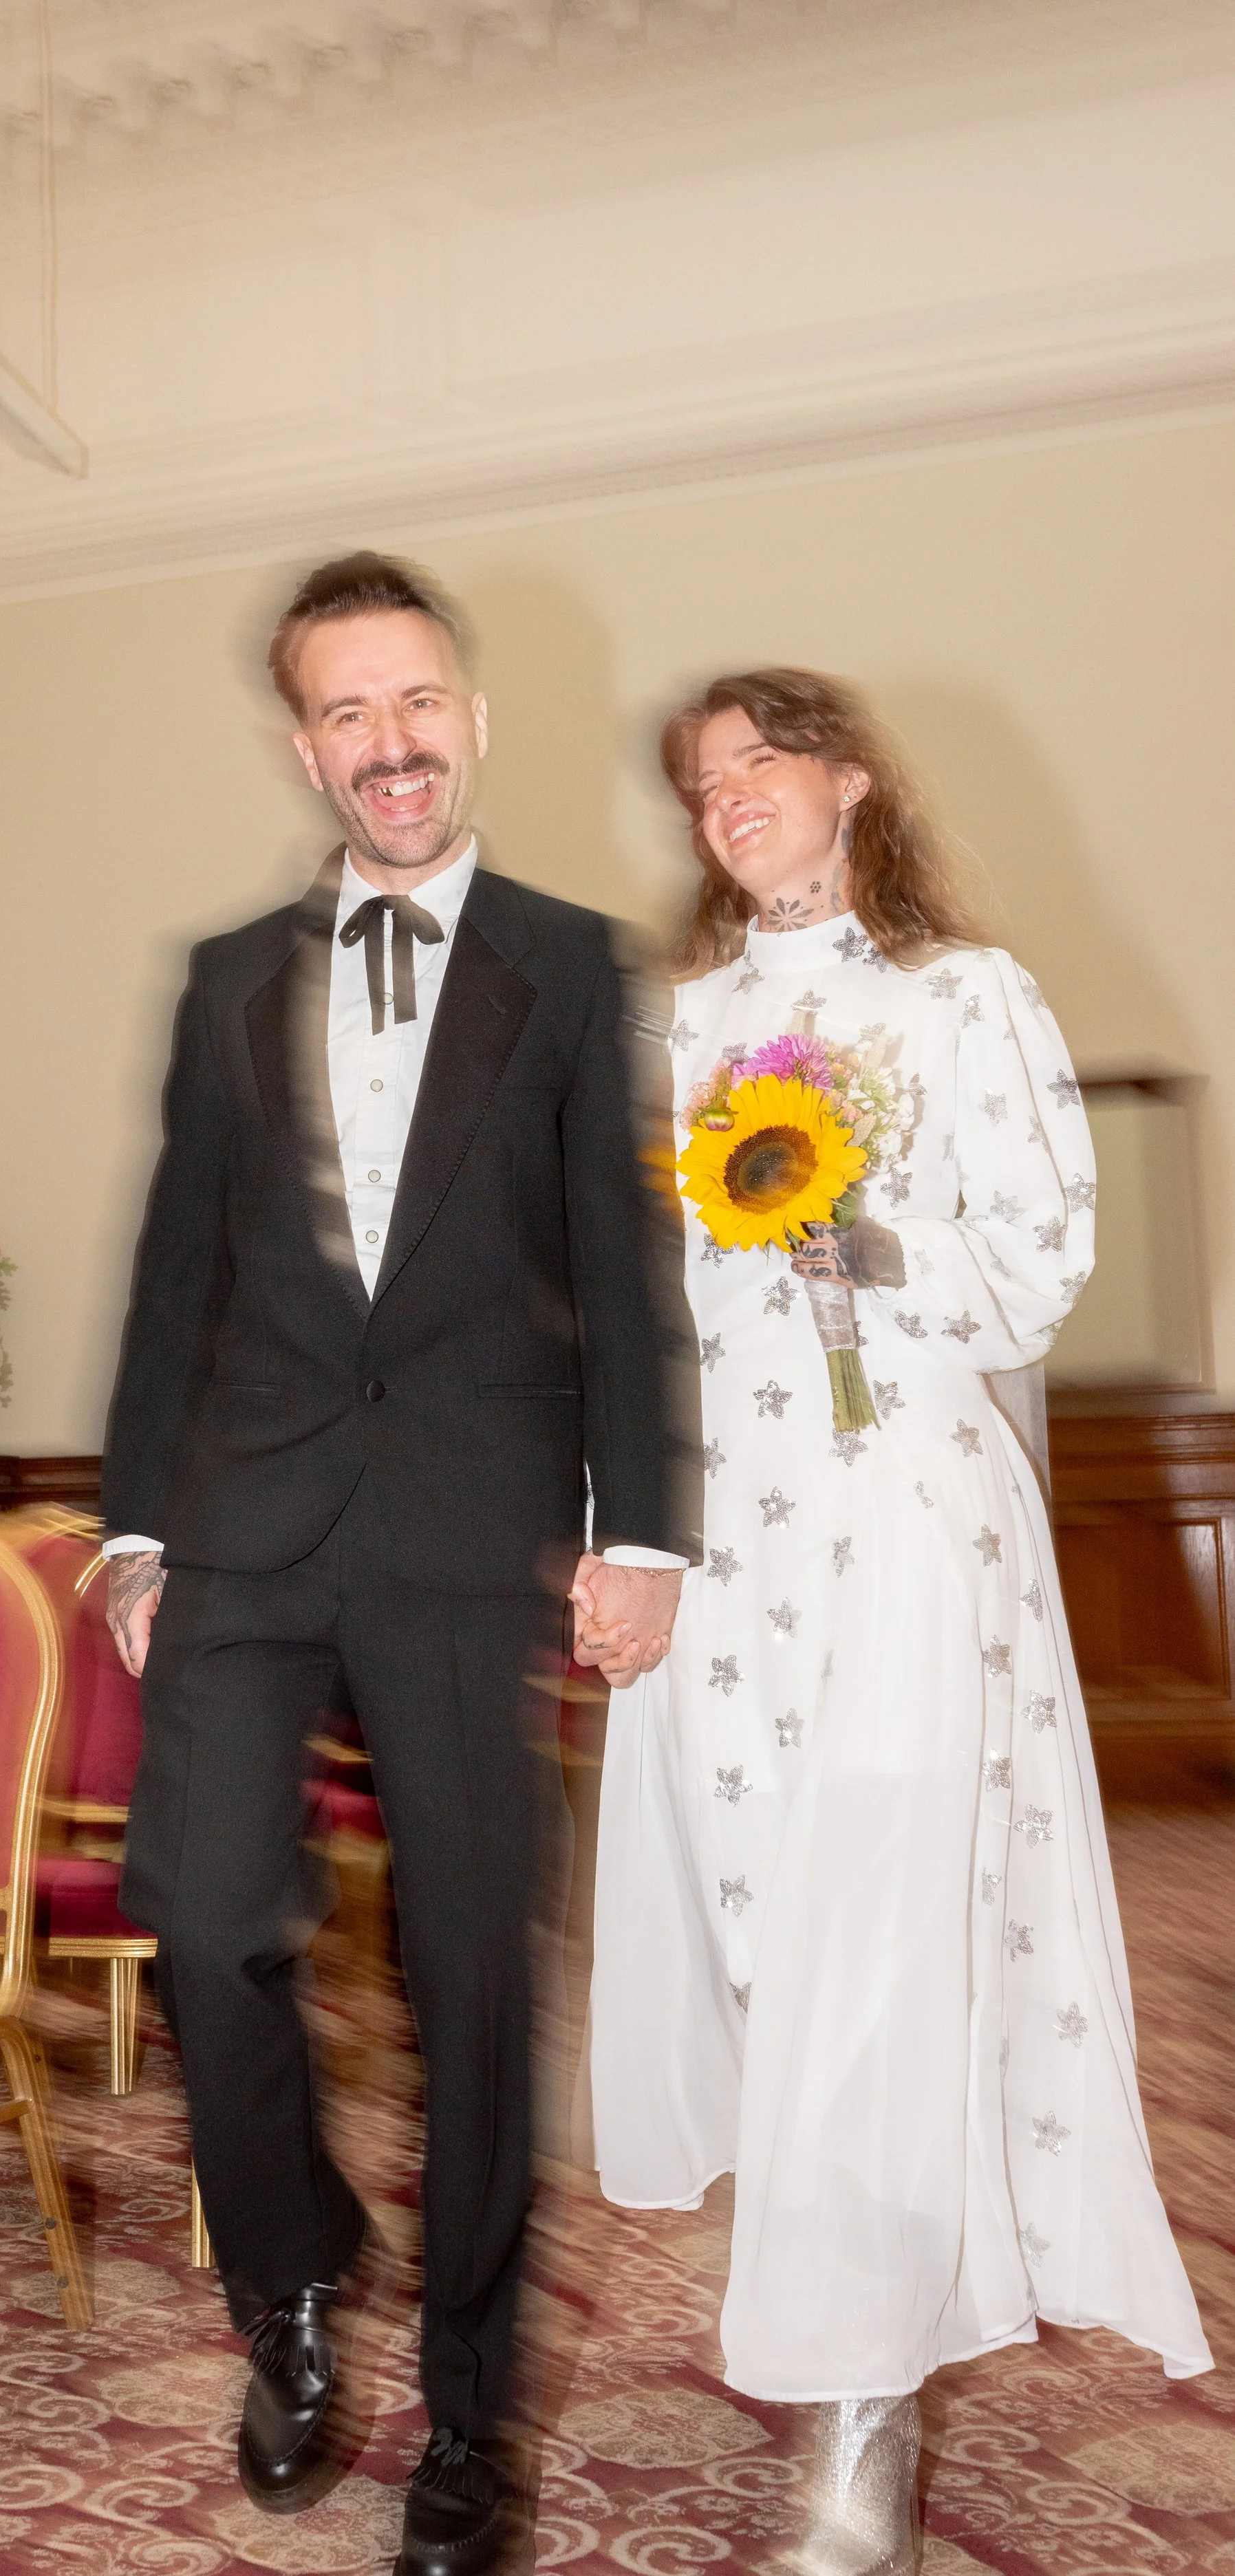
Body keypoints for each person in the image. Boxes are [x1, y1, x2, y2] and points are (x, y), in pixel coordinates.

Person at [98, 552, 702, 2576]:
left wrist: (646, 1533)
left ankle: (465, 2412)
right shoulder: (221, 978)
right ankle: (288, 2277)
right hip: (247, 1525)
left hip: (465, 1537)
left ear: (468, 714)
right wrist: (132, 1525)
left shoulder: (566, 962)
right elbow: (175, 1263)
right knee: (200, 1919)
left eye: (415, 700)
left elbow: (624, 1279)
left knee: (467, 1984)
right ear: (303, 745)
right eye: (346, 713)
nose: (388, 743)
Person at [590, 668, 1211, 2576]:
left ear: (847, 780)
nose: (725, 804)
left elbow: (1028, 1276)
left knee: (885, 1928)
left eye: (755, 766)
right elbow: (640, 1320)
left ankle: (858, 2418)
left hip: (910, 1518)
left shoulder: (966, 999)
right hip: (730, 1544)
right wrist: (621, 1534)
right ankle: (845, 2311)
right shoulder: (681, 1025)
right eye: (697, 787)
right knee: (772, 1929)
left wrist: (839, 1219)